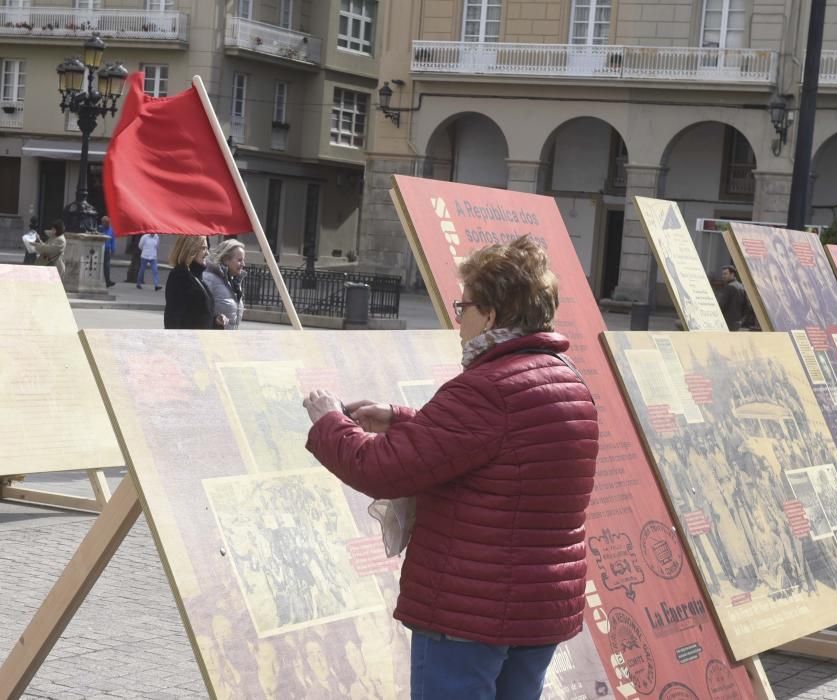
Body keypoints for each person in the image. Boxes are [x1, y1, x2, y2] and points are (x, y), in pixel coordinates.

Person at [303, 236, 598, 700]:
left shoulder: (487, 388)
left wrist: (329, 423)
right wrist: (401, 418)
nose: (459, 322)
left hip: (471, 608)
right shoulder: (565, 379)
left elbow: (380, 469)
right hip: (538, 605)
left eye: (466, 309)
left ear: (493, 316)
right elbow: (496, 451)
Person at [164, 235, 227, 329]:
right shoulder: (180, 275)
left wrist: (216, 321)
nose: (207, 253)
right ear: (190, 250)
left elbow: (198, 315)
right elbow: (173, 318)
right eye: (203, 248)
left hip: (199, 340)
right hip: (188, 342)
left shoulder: (196, 276)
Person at [203, 239, 246, 330]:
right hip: (212, 340)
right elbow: (199, 312)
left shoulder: (234, 283)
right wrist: (216, 320)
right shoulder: (209, 279)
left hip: (227, 340)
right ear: (226, 260)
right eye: (239, 260)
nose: (243, 264)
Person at [717, 265, 753, 331]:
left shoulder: (729, 287)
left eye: (725, 274)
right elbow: (747, 307)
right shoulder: (742, 287)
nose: (723, 276)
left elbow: (721, 305)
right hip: (737, 323)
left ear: (732, 274)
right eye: (723, 274)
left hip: (727, 322)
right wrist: (741, 320)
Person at [99, 215, 116, 287]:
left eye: (108, 222)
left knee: (107, 266)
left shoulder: (111, 230)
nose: (108, 224)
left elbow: (113, 240)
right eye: (106, 222)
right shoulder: (99, 229)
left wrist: (113, 249)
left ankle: (108, 281)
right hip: (100, 249)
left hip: (106, 250)